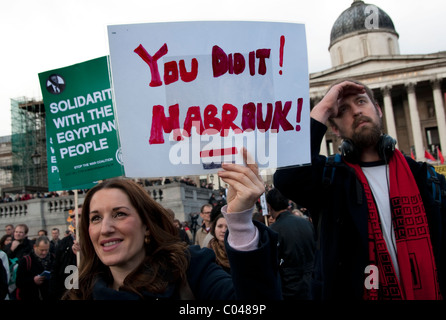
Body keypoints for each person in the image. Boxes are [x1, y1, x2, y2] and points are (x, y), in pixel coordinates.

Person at [274, 79, 446, 300]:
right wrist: (324, 107)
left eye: (361, 101)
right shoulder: (330, 178)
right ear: (334, 128)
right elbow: (287, 176)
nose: (356, 112)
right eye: (343, 109)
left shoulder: (426, 178)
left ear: (379, 110)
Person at [63, 148, 281, 300]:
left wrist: (241, 222)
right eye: (95, 218)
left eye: (119, 214)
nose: (105, 228)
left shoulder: (191, 270)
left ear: (146, 226)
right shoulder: (78, 292)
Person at [266, 188, 316, 300]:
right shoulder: (306, 223)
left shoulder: (273, 230)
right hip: (310, 284)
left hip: (289, 289)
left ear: (269, 206)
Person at [50, 205, 81, 300]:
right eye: (73, 216)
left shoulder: (95, 239)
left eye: (79, 215)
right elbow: (56, 268)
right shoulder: (64, 242)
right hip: (68, 290)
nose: (75, 219)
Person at [15, 236, 54, 300]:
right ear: (35, 247)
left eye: (46, 250)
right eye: (41, 250)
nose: (44, 253)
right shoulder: (26, 260)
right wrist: (33, 280)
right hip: (31, 295)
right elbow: (19, 282)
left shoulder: (53, 258)